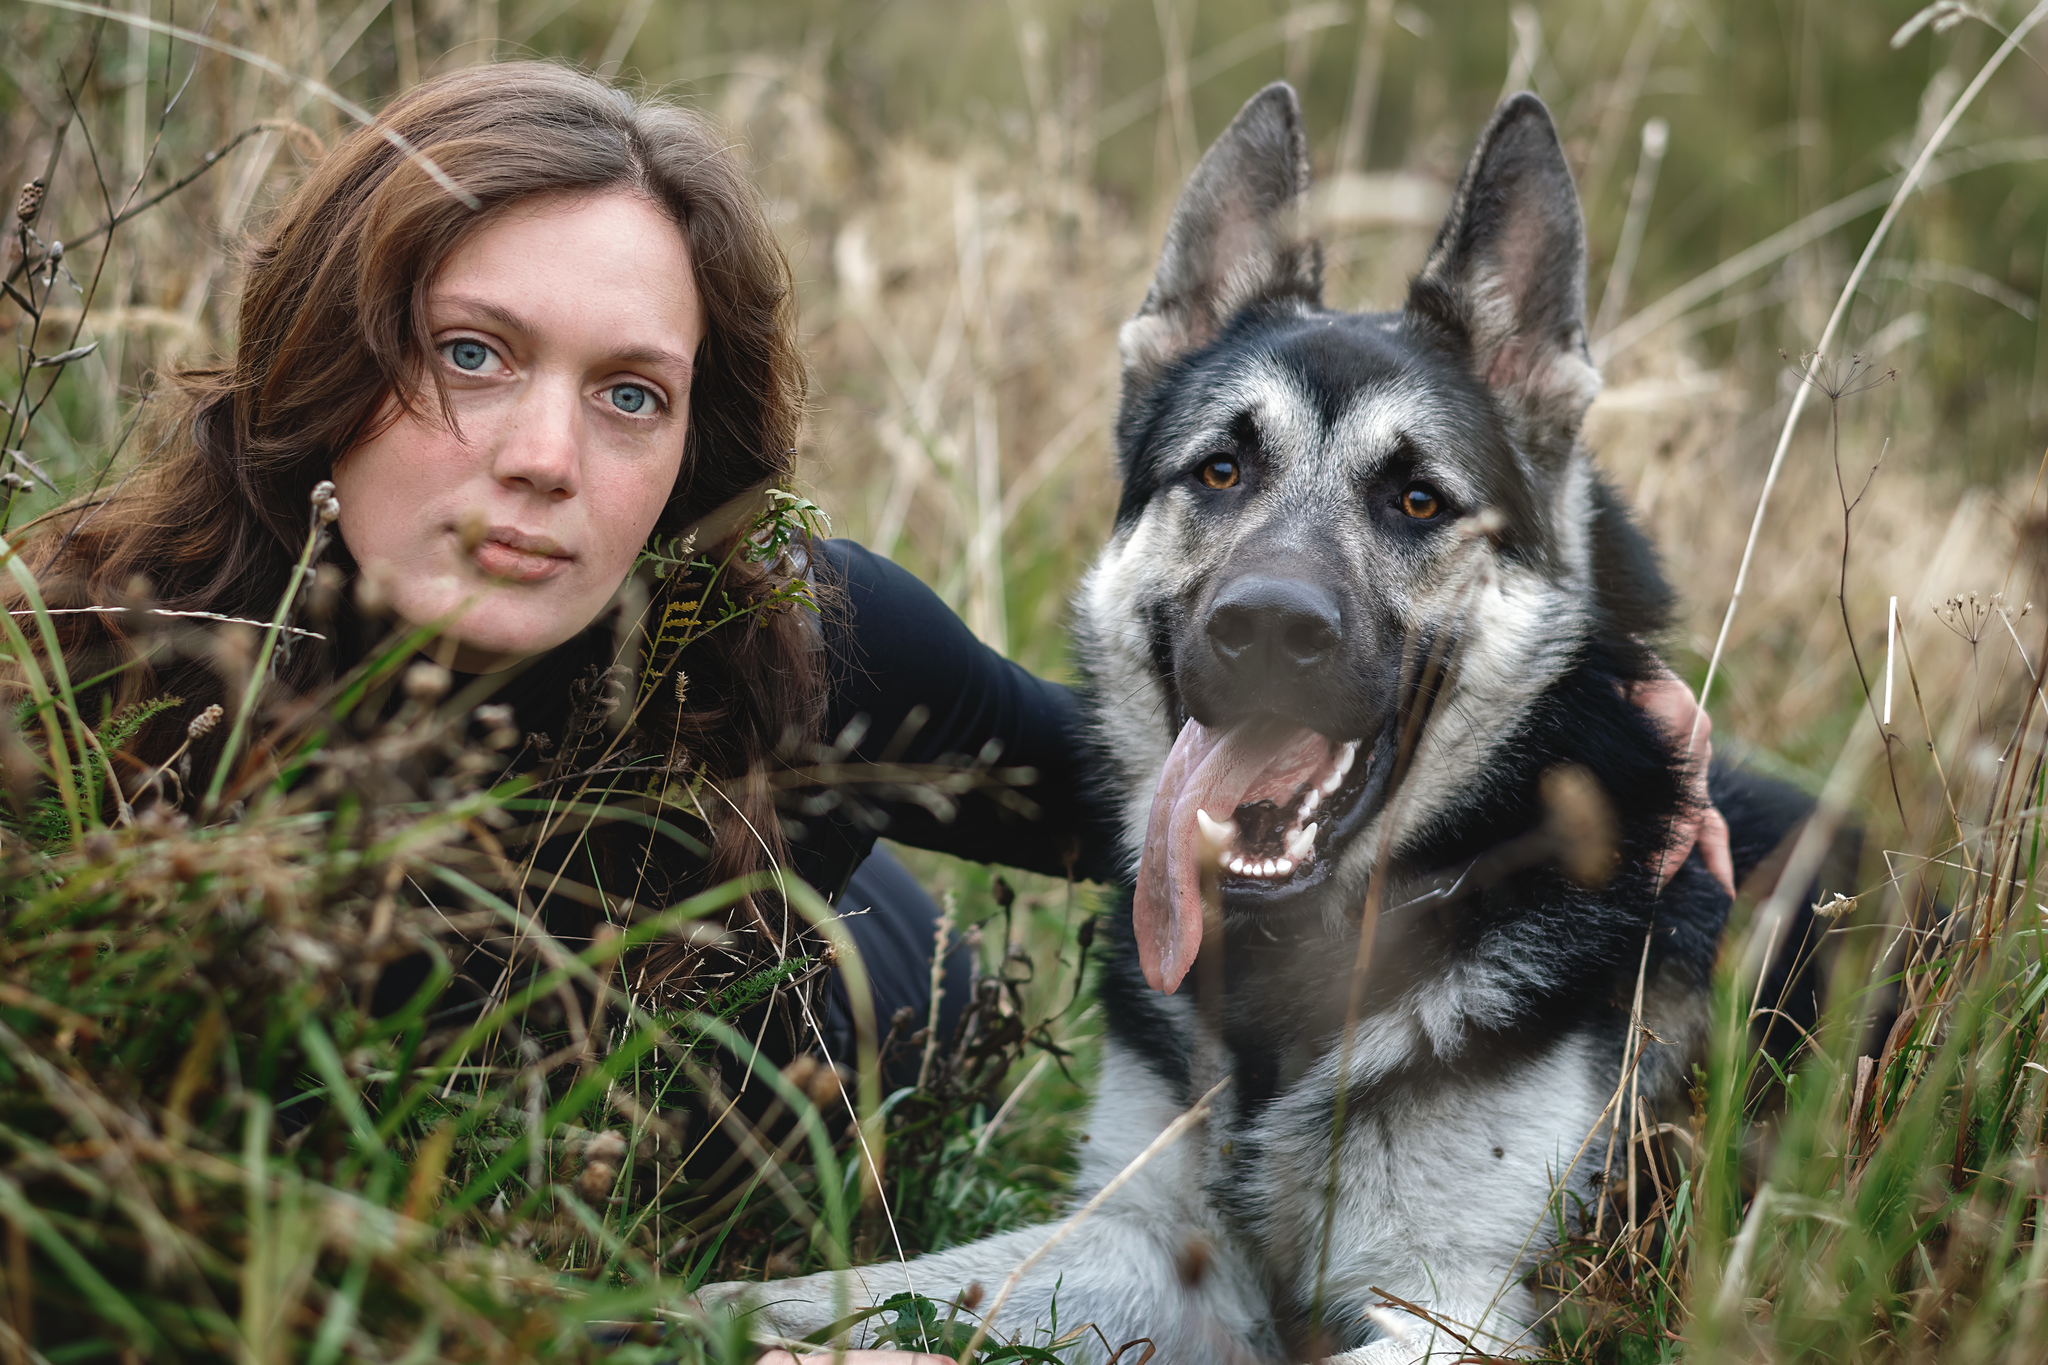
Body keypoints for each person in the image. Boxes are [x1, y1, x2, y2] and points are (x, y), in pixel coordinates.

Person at [6, 60, 1728, 1363]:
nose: (543, 457)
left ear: (694, 441)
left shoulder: (812, 638)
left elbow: (1141, 788)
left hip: (893, 1063)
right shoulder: (78, 703)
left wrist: (1586, 751)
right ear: (326, 345)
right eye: (470, 352)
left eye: (630, 392)